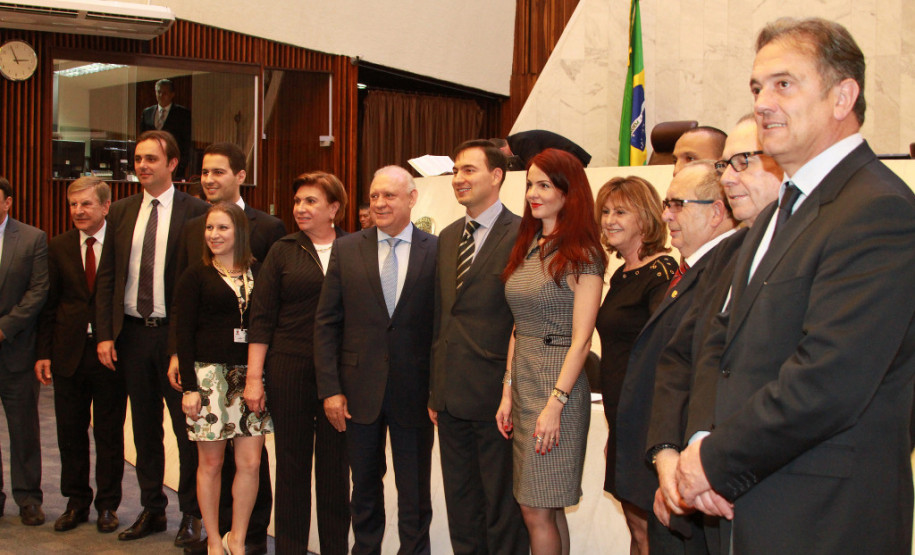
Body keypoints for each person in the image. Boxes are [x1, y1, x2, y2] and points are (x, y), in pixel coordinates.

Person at [674, 18, 915, 554]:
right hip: (745, 507)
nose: (762, 103)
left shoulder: (878, 209)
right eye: (757, 87)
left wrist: (712, 462)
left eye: (784, 84)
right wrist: (697, 443)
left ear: (842, 96)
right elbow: (720, 342)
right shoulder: (772, 215)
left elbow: (829, 380)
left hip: (824, 520)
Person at [646, 116, 782, 554]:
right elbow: (683, 360)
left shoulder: (819, 245)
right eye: (724, 166)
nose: (728, 178)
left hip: (765, 483)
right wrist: (670, 458)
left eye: (742, 161)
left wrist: (707, 463)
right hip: (702, 482)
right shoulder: (729, 255)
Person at [168, 141, 284, 555]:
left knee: (252, 463)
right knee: (212, 464)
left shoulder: (260, 266)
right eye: (209, 229)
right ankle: (214, 540)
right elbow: (183, 327)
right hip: (210, 378)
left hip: (252, 376)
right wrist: (190, 388)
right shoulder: (195, 276)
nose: (214, 234)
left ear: (241, 231)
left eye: (223, 228)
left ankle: (240, 538)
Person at [315, 165, 437, 554]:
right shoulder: (346, 248)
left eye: (390, 196)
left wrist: (439, 390)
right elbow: (326, 323)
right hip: (356, 394)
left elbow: (442, 328)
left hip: (415, 395)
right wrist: (331, 390)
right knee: (364, 487)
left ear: (412, 199)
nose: (380, 203)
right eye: (374, 196)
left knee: (414, 493)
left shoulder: (435, 251)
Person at [95, 130, 209, 544]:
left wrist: (185, 344)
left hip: (176, 339)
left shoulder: (197, 211)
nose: (142, 166)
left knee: (186, 429)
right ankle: (152, 509)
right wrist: (106, 334)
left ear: (173, 164)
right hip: (131, 335)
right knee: (143, 428)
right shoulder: (122, 212)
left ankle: (192, 514)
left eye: (151, 159)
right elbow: (108, 277)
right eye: (138, 159)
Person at [497, 148, 606, 555]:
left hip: (558, 388)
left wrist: (556, 403)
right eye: (529, 184)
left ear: (568, 190)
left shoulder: (584, 253)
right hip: (524, 383)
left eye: (543, 184)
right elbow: (517, 325)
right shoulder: (528, 244)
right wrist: (508, 391)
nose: (532, 193)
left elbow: (583, 339)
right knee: (547, 506)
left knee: (536, 508)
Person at [429, 139, 528, 554]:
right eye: (455, 171)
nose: (458, 179)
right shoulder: (449, 236)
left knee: (501, 507)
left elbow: (524, 318)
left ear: (497, 175)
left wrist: (509, 387)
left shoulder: (524, 233)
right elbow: (441, 317)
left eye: (468, 170)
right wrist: (435, 388)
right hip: (449, 397)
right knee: (461, 504)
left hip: (497, 398)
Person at [246, 172, 351, 554]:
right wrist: (254, 379)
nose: (300, 209)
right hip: (288, 368)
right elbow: (261, 318)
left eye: (311, 201)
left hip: (339, 375)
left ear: (334, 208)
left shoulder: (355, 248)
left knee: (335, 471)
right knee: (290, 468)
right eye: (298, 202)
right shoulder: (283, 250)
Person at [35, 177, 127, 534]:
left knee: (108, 433)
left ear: (106, 206)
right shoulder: (57, 246)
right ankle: (76, 502)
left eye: (86, 204)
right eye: (73, 205)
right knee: (69, 433)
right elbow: (49, 304)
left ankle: (108, 505)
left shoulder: (120, 246)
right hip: (67, 354)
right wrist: (43, 353)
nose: (78, 211)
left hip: (110, 355)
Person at [592, 175, 678, 554]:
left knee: (650, 532)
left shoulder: (661, 273)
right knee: (635, 527)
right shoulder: (624, 273)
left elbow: (665, 354)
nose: (609, 220)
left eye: (621, 211)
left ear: (645, 218)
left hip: (647, 421)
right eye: (606, 211)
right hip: (623, 417)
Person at [0, 176, 49, 526]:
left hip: (16, 349)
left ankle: (29, 498)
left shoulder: (32, 238)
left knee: (24, 429)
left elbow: (38, 292)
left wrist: (4, 328)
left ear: (7, 202)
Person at [140, 79, 192, 180]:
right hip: (150, 162)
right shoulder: (147, 112)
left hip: (173, 166)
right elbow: (142, 138)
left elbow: (186, 142)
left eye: (165, 93)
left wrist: (180, 166)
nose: (161, 95)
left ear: (172, 94)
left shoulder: (183, 114)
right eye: (158, 92)